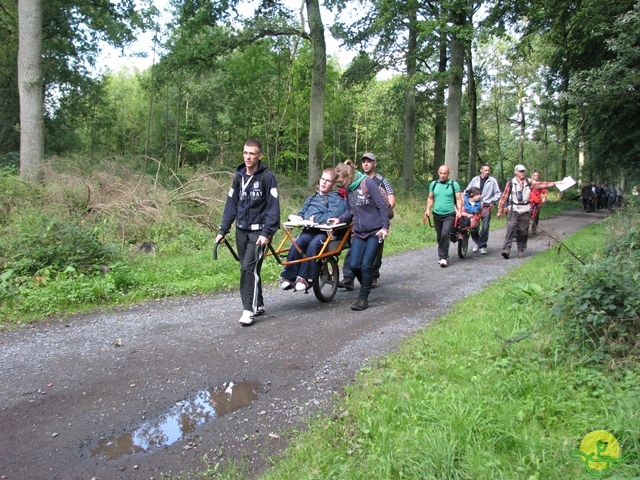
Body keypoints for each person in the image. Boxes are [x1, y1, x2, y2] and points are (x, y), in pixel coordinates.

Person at [214, 140, 280, 326]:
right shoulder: (238, 177)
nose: (248, 157)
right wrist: (222, 230)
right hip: (241, 231)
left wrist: (267, 232)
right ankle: (258, 303)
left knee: (248, 269)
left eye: (252, 153)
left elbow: (273, 208)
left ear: (260, 156)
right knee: (249, 267)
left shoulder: (267, 177)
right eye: (245, 153)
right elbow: (231, 206)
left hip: (259, 232)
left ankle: (248, 310)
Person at [328, 162, 389, 311]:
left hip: (375, 230)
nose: (340, 185)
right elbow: (350, 210)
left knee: (367, 264)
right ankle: (366, 286)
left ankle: (363, 299)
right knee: (354, 265)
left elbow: (382, 206)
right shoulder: (349, 189)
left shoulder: (367, 183)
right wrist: (340, 219)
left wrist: (385, 227)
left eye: (341, 181)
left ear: (349, 175)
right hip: (359, 232)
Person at [279, 168, 346, 292]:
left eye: (328, 181)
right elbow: (302, 214)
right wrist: (295, 217)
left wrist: (315, 218)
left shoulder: (336, 199)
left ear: (333, 184)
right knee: (298, 242)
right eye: (322, 179)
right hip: (309, 230)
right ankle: (288, 276)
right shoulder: (311, 199)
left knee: (314, 244)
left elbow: (333, 215)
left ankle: (304, 277)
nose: (324, 183)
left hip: (326, 233)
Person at [339, 152, 395, 291]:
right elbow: (350, 207)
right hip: (358, 223)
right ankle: (349, 278)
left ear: (374, 163)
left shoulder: (380, 180)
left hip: (376, 224)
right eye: (364, 161)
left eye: (369, 161)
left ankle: (373, 276)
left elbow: (389, 201)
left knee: (374, 254)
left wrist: (382, 221)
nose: (366, 163)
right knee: (353, 251)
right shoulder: (351, 184)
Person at [496, 164, 559, 259]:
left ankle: (521, 250)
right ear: (515, 172)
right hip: (513, 208)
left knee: (523, 230)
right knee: (511, 228)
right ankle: (506, 250)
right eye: (520, 171)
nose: (522, 173)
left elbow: (541, 184)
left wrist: (556, 183)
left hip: (525, 209)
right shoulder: (511, 182)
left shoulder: (529, 182)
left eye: (523, 171)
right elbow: (504, 196)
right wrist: (500, 209)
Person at [424, 165, 463, 268]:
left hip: (449, 214)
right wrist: (428, 209)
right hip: (437, 214)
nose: (442, 175)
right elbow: (430, 198)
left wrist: (459, 210)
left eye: (445, 173)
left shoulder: (454, 185)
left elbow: (458, 199)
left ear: (448, 173)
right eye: (441, 173)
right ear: (438, 172)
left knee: (445, 234)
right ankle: (442, 255)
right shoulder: (434, 184)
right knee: (440, 236)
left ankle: (443, 258)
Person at [464, 164, 502, 254]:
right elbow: (467, 190)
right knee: (474, 226)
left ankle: (482, 245)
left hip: (486, 205)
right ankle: (477, 242)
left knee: (485, 227)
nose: (487, 172)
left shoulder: (492, 181)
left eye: (488, 170)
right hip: (475, 205)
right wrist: (464, 199)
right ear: (481, 170)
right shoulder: (475, 179)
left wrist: (493, 201)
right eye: (485, 170)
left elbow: (498, 193)